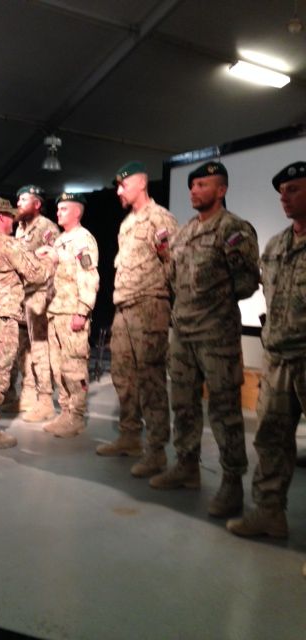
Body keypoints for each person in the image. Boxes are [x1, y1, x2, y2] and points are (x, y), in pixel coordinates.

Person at [150, 162, 260, 518]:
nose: (194, 191)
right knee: (183, 403)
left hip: (216, 335)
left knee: (225, 411)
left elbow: (247, 283)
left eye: (202, 184)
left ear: (221, 190)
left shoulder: (234, 229)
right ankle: (186, 466)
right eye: (192, 185)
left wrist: (213, 299)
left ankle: (232, 483)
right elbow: (173, 278)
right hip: (183, 333)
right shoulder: (184, 232)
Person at [227, 161, 306, 539]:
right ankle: (268, 512)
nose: (284, 198)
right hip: (277, 360)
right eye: (281, 192)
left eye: (294, 190)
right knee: (271, 438)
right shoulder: (275, 246)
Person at [96, 161, 178, 479]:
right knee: (122, 375)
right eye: (117, 186)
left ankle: (156, 451)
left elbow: (173, 263)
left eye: (123, 184)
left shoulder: (160, 218)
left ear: (141, 183)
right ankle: (129, 436)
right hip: (124, 307)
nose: (119, 191)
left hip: (149, 306)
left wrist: (166, 302)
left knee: (150, 380)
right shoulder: (128, 223)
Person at [0, 195, 57, 450]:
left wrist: (31, 255)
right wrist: (50, 259)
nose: (13, 222)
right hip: (1, 319)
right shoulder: (8, 244)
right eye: (10, 217)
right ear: (1, 217)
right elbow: (36, 274)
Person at [39, 192, 99, 438]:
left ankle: (76, 416)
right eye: (58, 208)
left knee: (74, 367)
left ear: (77, 212)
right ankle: (65, 412)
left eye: (64, 208)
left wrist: (83, 310)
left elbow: (89, 276)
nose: (58, 212)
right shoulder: (60, 241)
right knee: (58, 367)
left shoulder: (83, 240)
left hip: (72, 311)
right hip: (55, 311)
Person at [2, 184, 60, 422]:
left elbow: (55, 264)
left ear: (37, 204)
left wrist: (47, 298)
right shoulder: (20, 229)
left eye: (24, 199)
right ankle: (27, 396)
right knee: (22, 349)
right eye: (18, 199)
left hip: (39, 297)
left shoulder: (47, 228)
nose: (18, 203)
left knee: (39, 349)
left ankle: (45, 400)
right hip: (21, 297)